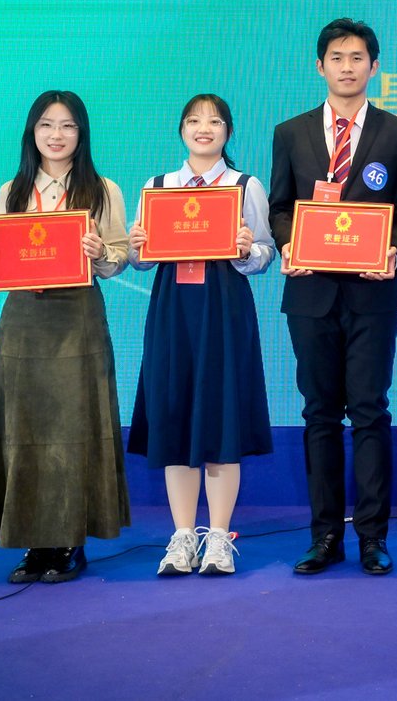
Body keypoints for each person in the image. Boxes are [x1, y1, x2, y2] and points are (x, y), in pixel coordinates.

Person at [270, 18, 397, 576]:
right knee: (319, 414)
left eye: (358, 57)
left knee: (370, 412)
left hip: (371, 295)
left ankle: (373, 537)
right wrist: (288, 243)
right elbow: (279, 207)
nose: (347, 67)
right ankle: (325, 536)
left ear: (374, 67)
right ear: (320, 66)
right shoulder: (291, 133)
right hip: (310, 294)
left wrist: (393, 251)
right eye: (337, 57)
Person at [0, 90, 130, 584]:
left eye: (67, 126)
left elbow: (120, 257)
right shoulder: (12, 191)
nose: (56, 135)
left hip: (77, 318)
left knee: (75, 427)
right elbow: (6, 259)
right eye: (46, 125)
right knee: (24, 429)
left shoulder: (102, 189)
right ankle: (34, 543)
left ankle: (69, 542)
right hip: (23, 321)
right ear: (32, 133)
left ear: (81, 134)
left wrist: (100, 253)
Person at [127, 94, 276, 576]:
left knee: (220, 417)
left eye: (214, 121)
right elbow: (140, 259)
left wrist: (246, 249)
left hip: (224, 309)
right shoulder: (157, 187)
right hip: (173, 311)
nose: (203, 128)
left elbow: (265, 253)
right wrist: (137, 247)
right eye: (193, 120)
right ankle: (182, 537)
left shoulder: (244, 185)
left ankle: (219, 537)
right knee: (174, 415)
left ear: (228, 131)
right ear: (181, 130)